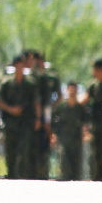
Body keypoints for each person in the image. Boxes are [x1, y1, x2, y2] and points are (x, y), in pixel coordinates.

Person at [0, 55, 39, 179]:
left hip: (26, 122)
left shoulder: (30, 83)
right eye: (17, 65)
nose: (20, 68)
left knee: (24, 150)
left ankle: (23, 176)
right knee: (10, 151)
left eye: (22, 65)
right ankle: (11, 175)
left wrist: (38, 119)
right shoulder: (6, 83)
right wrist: (10, 109)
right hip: (10, 122)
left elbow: (36, 102)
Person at [28, 50, 61, 179]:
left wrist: (47, 117)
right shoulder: (30, 77)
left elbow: (51, 99)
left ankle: (43, 175)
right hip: (29, 117)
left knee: (43, 147)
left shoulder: (48, 77)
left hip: (43, 117)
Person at [51, 81, 86, 181]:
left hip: (76, 138)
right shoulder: (61, 107)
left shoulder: (80, 108)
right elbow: (55, 122)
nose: (72, 92)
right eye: (70, 90)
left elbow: (85, 122)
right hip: (63, 137)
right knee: (64, 161)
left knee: (77, 163)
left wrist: (86, 133)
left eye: (74, 90)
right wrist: (53, 135)